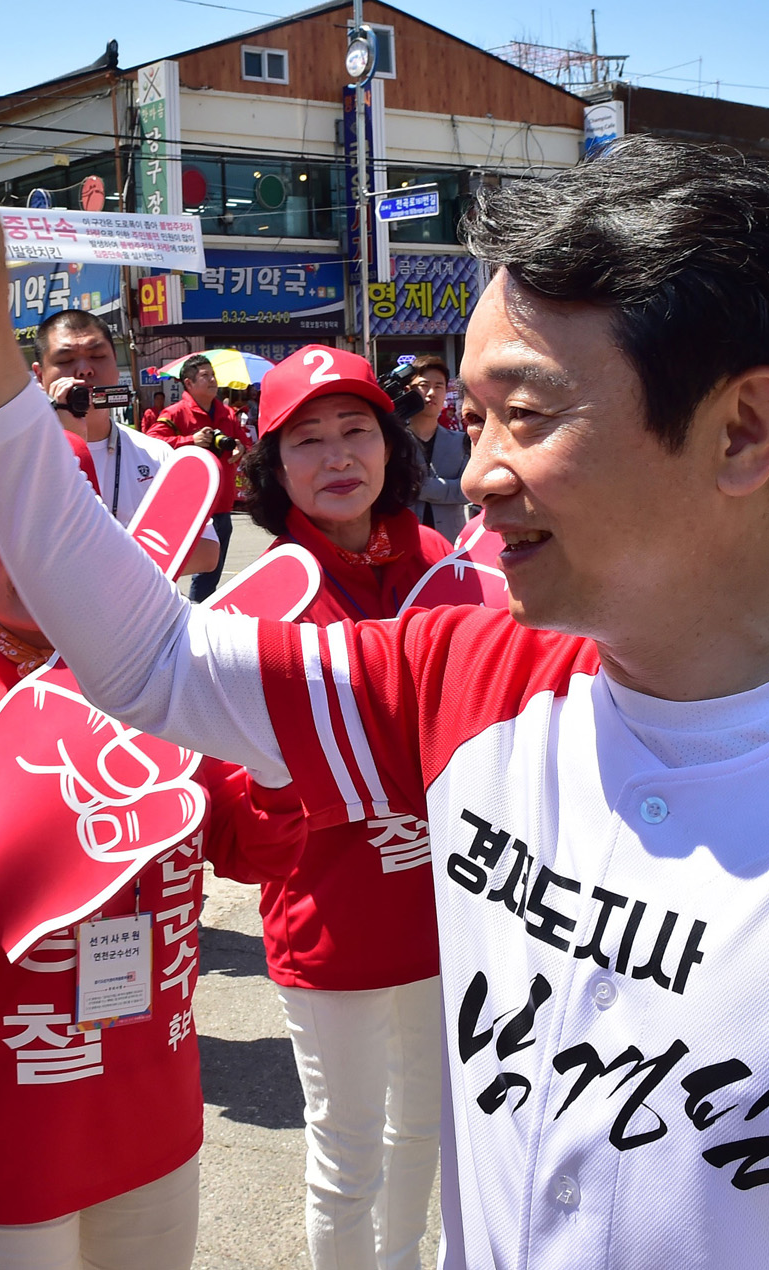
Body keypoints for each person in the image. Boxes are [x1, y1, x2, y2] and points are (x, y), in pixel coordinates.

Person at [0, 90, 769, 1267]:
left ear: (742, 429)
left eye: (524, 413)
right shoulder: (471, 668)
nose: (473, 474)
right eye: (471, 416)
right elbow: (154, 663)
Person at [0, 429, 303, 1270]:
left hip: (154, 1119)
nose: (42, 567)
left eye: (64, 538)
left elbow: (256, 851)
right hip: (6, 1136)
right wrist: (23, 837)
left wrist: (273, 762)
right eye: (10, 544)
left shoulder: (165, 697)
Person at [233, 347, 451, 1270]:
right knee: (348, 1151)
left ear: (390, 444)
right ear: (274, 468)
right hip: (331, 923)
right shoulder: (264, 596)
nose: (337, 458)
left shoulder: (447, 563)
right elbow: (237, 802)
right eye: (307, 440)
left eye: (355, 431)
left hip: (448, 912)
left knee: (428, 1135)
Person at [32, 309, 218, 577]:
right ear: (40, 375)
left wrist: (113, 562)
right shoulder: (19, 459)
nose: (84, 370)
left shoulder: (155, 454)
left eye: (97, 356)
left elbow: (206, 550)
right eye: (66, 359)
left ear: (116, 364)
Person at [148, 354, 250, 601]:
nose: (213, 379)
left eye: (213, 374)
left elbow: (244, 441)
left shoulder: (226, 413)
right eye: (205, 375)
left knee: (211, 569)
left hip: (221, 505)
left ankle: (200, 611)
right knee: (170, 566)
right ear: (189, 383)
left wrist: (240, 447)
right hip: (188, 505)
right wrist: (188, 441)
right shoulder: (175, 413)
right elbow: (150, 443)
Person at [404, 355, 471, 541]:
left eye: (439, 386)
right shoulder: (395, 442)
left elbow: (465, 491)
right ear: (408, 390)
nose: (432, 392)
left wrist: (420, 488)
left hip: (450, 543)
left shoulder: (460, 442)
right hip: (404, 542)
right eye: (424, 385)